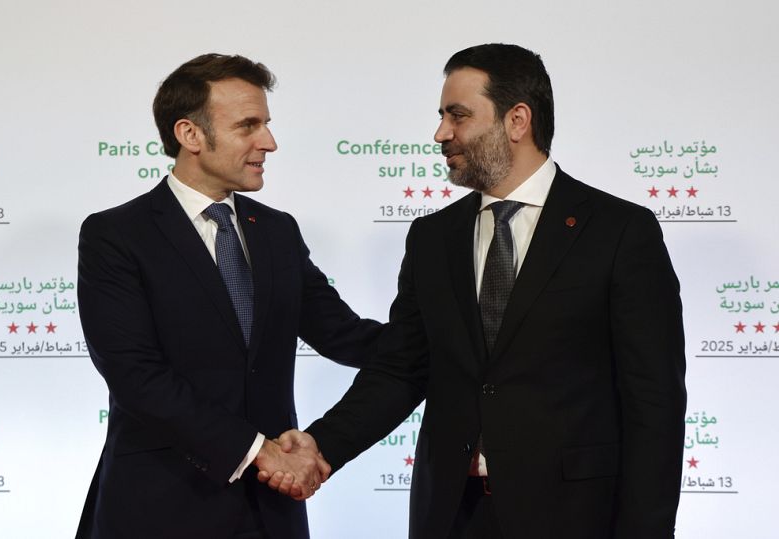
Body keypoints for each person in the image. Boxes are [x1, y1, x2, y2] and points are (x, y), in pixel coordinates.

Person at [269, 44, 687, 538]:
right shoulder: (432, 238)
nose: (441, 133)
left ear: (517, 120)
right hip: (452, 515)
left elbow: (654, 401)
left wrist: (647, 529)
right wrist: (321, 446)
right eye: (442, 116)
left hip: (576, 515)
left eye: (458, 116)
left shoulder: (618, 232)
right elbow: (403, 367)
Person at [75, 53, 381, 539]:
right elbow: (137, 376)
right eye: (248, 126)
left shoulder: (277, 232)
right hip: (159, 507)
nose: (270, 142)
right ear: (190, 135)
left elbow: (344, 335)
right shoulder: (117, 235)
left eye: (267, 124)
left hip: (270, 511)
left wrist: (446, 341)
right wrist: (259, 450)